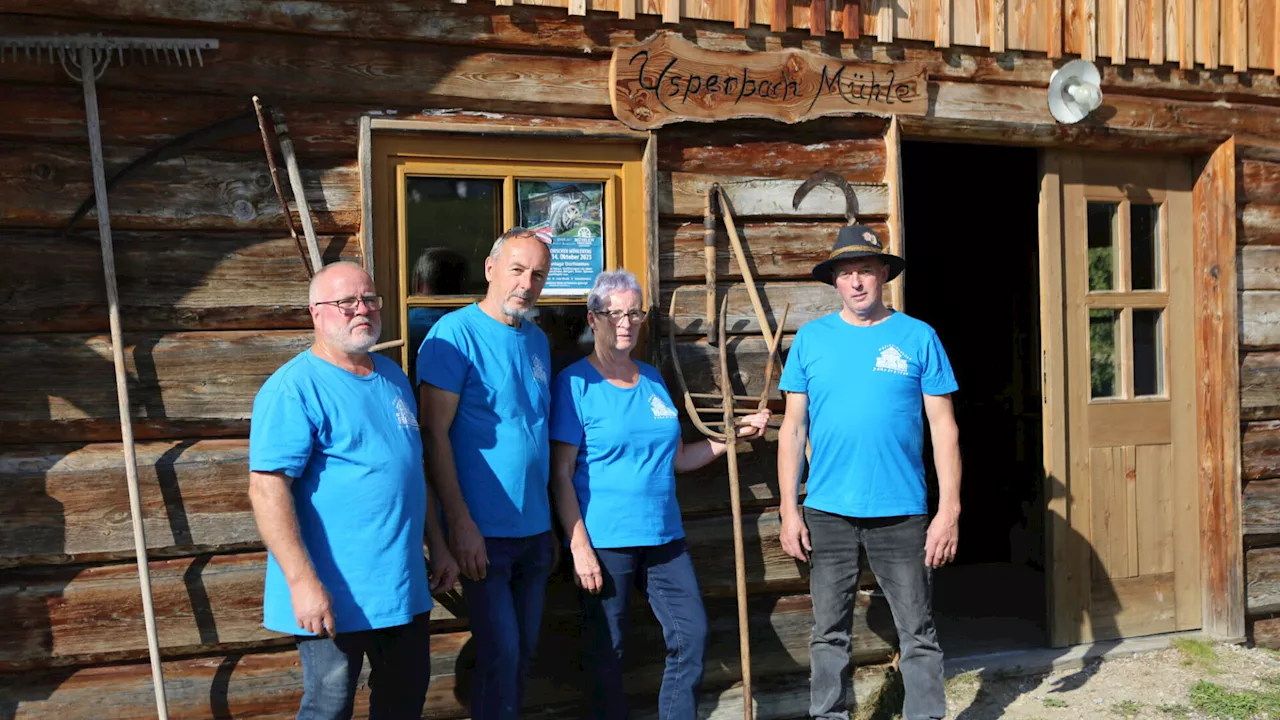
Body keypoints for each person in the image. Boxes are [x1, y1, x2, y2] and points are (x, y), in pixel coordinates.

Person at [549, 269, 770, 720]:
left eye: (634, 313)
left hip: (664, 536)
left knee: (691, 635)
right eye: (614, 314)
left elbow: (678, 458)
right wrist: (579, 548)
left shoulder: (650, 378)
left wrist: (737, 435)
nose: (626, 322)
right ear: (593, 320)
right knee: (606, 652)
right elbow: (561, 472)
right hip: (605, 540)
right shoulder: (575, 384)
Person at [248, 261, 458, 720]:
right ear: (316, 313)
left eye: (368, 299)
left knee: (403, 702)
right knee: (329, 707)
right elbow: (267, 491)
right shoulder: (294, 388)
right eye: (346, 302)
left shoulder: (392, 377)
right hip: (334, 592)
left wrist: (438, 545)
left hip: (401, 586)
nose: (361, 310)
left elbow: (411, 470)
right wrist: (303, 584)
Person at [776, 226, 962, 720]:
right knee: (828, 632)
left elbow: (944, 428)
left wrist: (949, 511)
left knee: (917, 633)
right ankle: (829, 716)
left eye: (864, 270)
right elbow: (793, 428)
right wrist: (789, 510)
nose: (856, 282)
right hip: (828, 511)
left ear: (883, 274)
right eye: (845, 272)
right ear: (835, 281)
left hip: (901, 510)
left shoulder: (918, 336)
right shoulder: (812, 339)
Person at [417, 227, 555, 720]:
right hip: (482, 532)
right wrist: (459, 525)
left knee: (523, 655)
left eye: (537, 274)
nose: (526, 283)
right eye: (517, 269)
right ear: (490, 269)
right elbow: (433, 435)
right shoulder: (454, 335)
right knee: (502, 654)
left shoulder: (537, 340)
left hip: (536, 531)